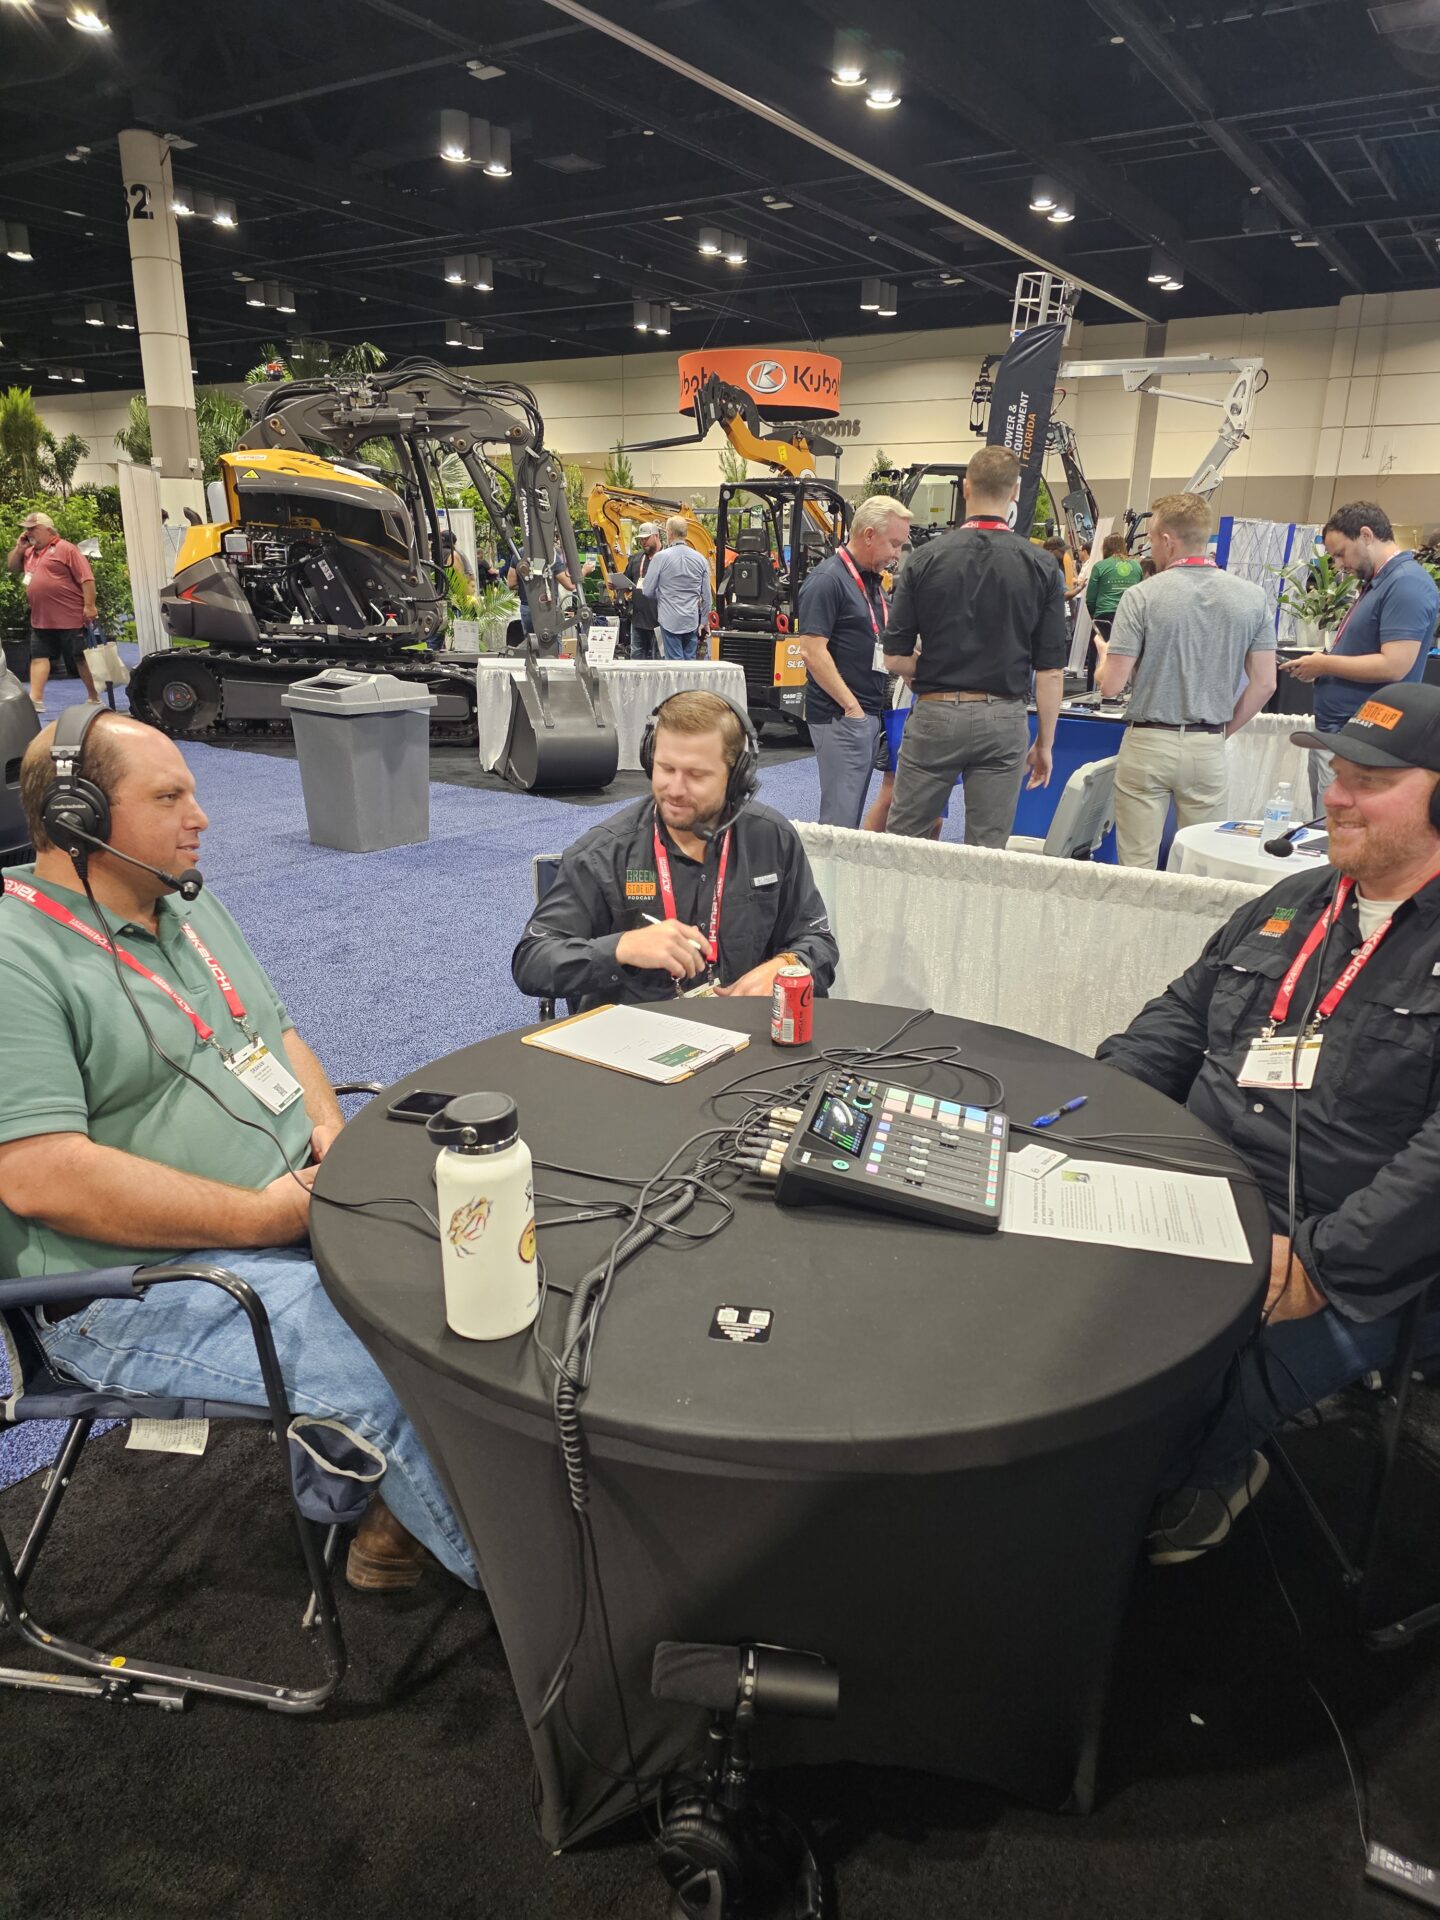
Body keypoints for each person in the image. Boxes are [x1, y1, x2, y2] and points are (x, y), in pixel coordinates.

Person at [0, 709, 477, 1598]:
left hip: (290, 1204)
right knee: (397, 1370)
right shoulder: (14, 958)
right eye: (169, 795)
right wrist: (264, 1216)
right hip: (133, 1287)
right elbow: (38, 1175)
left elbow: (278, 1033)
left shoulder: (182, 899)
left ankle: (381, 1513)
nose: (202, 816)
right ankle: (560, 1622)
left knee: (481, 1277)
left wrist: (330, 1130)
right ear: (77, 816)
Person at [1097, 681, 1440, 1562]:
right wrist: (1089, 1123)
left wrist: (1323, 1265)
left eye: (1368, 779)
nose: (1335, 794)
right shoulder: (1292, 903)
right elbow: (1174, 1022)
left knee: (1188, 1397)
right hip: (1200, 1187)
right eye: (1336, 771)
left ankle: (1204, 1476)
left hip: (1353, 1251)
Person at [512, 690, 837, 1011]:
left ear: (737, 776)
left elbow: (817, 940)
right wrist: (622, 948)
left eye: (696, 775)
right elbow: (532, 960)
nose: (675, 790)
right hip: (632, 1044)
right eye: (665, 768)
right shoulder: (603, 852)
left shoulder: (773, 839)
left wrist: (789, 964)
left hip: (743, 1041)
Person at [881, 446, 1067, 847]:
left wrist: (929, 671)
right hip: (1003, 719)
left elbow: (894, 657)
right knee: (988, 852)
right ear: (1015, 491)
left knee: (903, 843)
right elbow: (1051, 670)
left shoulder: (923, 560)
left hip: (936, 713)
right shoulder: (1042, 566)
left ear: (965, 488)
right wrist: (1045, 744)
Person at [1099, 493, 1277, 868]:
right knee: (1203, 866)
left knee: (1136, 867)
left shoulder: (1141, 596)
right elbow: (1265, 683)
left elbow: (1111, 686)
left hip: (1148, 742)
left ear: (1167, 540)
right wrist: (1221, 730)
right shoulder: (1252, 598)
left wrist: (1103, 660)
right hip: (1207, 744)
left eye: (1151, 538)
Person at [1281, 502, 1440, 816]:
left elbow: (1394, 666)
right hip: (1343, 734)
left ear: (1366, 535)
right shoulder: (1380, 582)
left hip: (1363, 739)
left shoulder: (1406, 583)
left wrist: (1325, 664)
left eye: (1341, 553)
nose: (1339, 564)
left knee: (1341, 830)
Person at [795, 495, 912, 828]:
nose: (896, 554)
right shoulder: (828, 580)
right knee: (839, 822)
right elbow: (812, 651)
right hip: (842, 718)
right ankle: (827, 881)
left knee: (849, 818)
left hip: (866, 716)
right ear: (869, 535)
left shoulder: (873, 582)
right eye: (894, 544)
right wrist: (852, 709)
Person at [5, 510, 98, 712]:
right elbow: (12, 567)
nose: (28, 533)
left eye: (33, 529)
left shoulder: (67, 549)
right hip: (41, 619)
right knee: (39, 656)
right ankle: (36, 700)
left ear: (48, 530)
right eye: (26, 530)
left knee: (80, 658)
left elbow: (87, 579)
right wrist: (19, 548)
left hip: (71, 617)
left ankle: (94, 696)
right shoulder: (29, 552)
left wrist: (89, 606)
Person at [641, 516, 712, 661]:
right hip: (691, 620)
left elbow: (647, 591)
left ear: (670, 533)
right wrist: (704, 621)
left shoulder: (660, 558)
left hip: (669, 620)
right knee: (690, 663)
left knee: (675, 665)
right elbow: (707, 597)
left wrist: (663, 595)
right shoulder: (700, 559)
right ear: (685, 533)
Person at [1084, 533, 1143, 686]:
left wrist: (1094, 617)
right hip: (1129, 617)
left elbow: (1090, 598)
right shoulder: (1136, 566)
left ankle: (1092, 687)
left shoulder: (1100, 566)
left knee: (1097, 653)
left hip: (1104, 617)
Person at [624, 521, 663, 661]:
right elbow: (626, 580)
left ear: (656, 536)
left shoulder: (666, 558)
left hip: (660, 620)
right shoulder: (636, 558)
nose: (643, 541)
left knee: (659, 659)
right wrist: (616, 585)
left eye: (646, 538)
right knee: (636, 658)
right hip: (638, 619)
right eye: (641, 539)